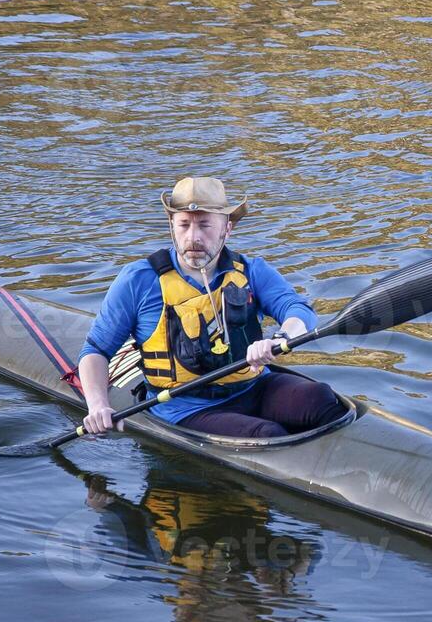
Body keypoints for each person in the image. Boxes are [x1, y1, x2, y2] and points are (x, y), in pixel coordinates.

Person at [78, 176, 347, 439]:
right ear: (171, 226)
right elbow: (97, 350)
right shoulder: (138, 280)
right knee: (266, 433)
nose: (193, 237)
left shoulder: (252, 271)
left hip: (252, 386)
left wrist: (281, 338)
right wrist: (98, 405)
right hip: (184, 407)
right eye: (183, 225)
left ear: (227, 228)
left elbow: (299, 311)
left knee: (320, 397)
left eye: (204, 225)